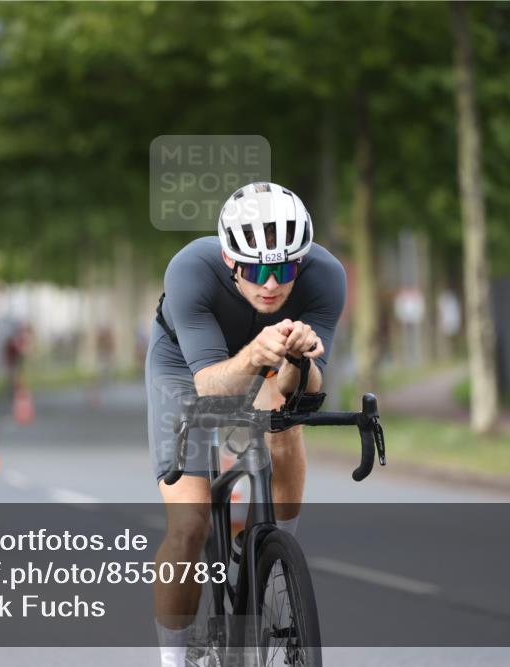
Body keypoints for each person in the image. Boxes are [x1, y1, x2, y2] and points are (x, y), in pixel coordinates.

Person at [146, 182, 346, 666]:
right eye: (257, 269)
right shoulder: (190, 269)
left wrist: (298, 357)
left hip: (268, 358)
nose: (272, 283)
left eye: (284, 268)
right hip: (186, 366)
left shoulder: (326, 278)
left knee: (287, 423)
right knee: (190, 524)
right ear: (230, 260)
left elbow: (307, 391)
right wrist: (256, 353)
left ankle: (275, 558)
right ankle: (175, 660)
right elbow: (213, 387)